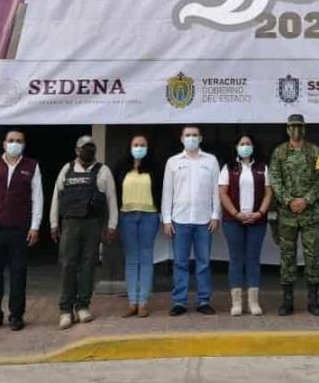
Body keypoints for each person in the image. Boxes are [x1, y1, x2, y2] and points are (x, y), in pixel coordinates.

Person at [49, 135, 118, 329]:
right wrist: (54, 223)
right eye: (83, 147)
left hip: (92, 224)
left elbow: (112, 200)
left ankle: (83, 306)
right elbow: (56, 196)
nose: (87, 150)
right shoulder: (67, 169)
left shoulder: (103, 171)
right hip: (70, 224)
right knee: (68, 265)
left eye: (91, 147)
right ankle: (65, 310)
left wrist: (112, 225)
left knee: (88, 265)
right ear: (76, 150)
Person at [0, 130, 42, 332]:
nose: (15, 144)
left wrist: (35, 226)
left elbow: (37, 198)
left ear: (24, 144)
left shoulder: (31, 166)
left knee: (18, 274)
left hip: (19, 229)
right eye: (11, 141)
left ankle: (16, 315)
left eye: (19, 141)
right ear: (4, 143)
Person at [268, 113, 319, 317]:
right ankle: (287, 301)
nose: (296, 130)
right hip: (287, 215)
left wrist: (306, 199)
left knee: (312, 257)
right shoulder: (279, 152)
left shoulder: (316, 151)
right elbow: (274, 179)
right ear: (287, 129)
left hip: (310, 214)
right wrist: (288, 200)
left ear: (304, 129)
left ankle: (313, 300)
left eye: (299, 126)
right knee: (287, 257)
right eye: (292, 126)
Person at [161, 125, 221, 316]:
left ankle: (203, 300)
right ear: (181, 139)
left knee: (203, 262)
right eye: (188, 135)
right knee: (180, 263)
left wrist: (215, 215)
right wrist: (167, 219)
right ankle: (180, 301)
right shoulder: (172, 162)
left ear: (201, 138)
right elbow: (167, 192)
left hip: (204, 220)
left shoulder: (211, 161)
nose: (192, 138)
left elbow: (216, 191)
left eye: (195, 135)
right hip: (180, 219)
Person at [218, 134, 273, 316]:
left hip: (257, 221)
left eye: (248, 143)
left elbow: (268, 193)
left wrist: (259, 213)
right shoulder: (228, 168)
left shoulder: (262, 168)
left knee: (253, 260)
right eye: (242, 144)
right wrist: (236, 214)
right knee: (236, 260)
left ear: (254, 146)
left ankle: (253, 302)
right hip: (233, 221)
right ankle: (236, 303)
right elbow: (223, 193)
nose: (245, 146)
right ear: (236, 147)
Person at [115, 134, 163, 318]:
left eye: (142, 145)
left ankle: (143, 302)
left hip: (149, 215)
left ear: (148, 147)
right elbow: (115, 192)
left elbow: (160, 191)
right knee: (131, 259)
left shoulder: (155, 167)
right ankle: (132, 302)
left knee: (146, 257)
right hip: (126, 215)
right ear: (130, 146)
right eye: (136, 144)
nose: (139, 148)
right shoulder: (121, 167)